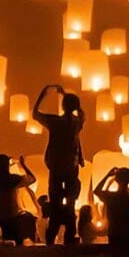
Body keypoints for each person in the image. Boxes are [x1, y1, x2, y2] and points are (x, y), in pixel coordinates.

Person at [36, 86, 87, 244]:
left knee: (56, 205)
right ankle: (69, 238)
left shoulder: (55, 121)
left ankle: (51, 238)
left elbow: (35, 114)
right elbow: (82, 113)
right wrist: (66, 97)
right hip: (71, 167)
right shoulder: (76, 123)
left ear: (63, 106)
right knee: (71, 205)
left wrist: (43, 95)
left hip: (56, 167)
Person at [0, 154, 38, 242]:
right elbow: (32, 179)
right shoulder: (12, 179)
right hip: (11, 217)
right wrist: (23, 165)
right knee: (14, 244)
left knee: (0, 244)